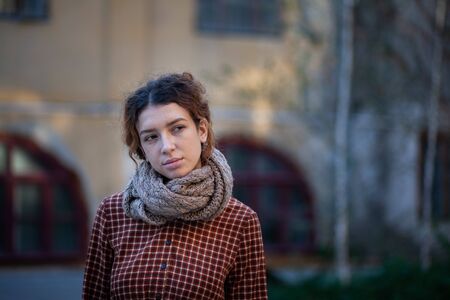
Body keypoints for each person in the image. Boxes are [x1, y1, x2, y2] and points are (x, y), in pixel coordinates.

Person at [82, 72, 268, 299]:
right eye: (151, 137)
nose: (166, 146)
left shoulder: (240, 221)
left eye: (177, 128)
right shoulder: (113, 213)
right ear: (142, 148)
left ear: (201, 130)